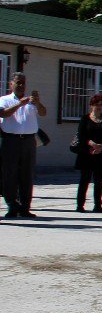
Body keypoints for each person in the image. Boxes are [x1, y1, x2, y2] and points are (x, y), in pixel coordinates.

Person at [0, 72, 47, 219]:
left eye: (23, 83)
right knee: (10, 174)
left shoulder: (31, 102)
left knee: (27, 175)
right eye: (18, 82)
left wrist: (37, 103)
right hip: (10, 141)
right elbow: (3, 114)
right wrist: (19, 104)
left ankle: (25, 208)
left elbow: (43, 113)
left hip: (28, 141)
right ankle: (12, 206)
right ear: (11, 84)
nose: (21, 85)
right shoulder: (5, 100)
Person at [74, 93, 102, 213]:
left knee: (98, 181)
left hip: (101, 154)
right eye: (97, 104)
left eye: (101, 105)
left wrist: (101, 146)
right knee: (84, 180)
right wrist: (91, 144)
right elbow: (81, 135)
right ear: (91, 105)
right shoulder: (85, 119)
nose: (99, 107)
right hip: (87, 154)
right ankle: (80, 205)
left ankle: (98, 205)